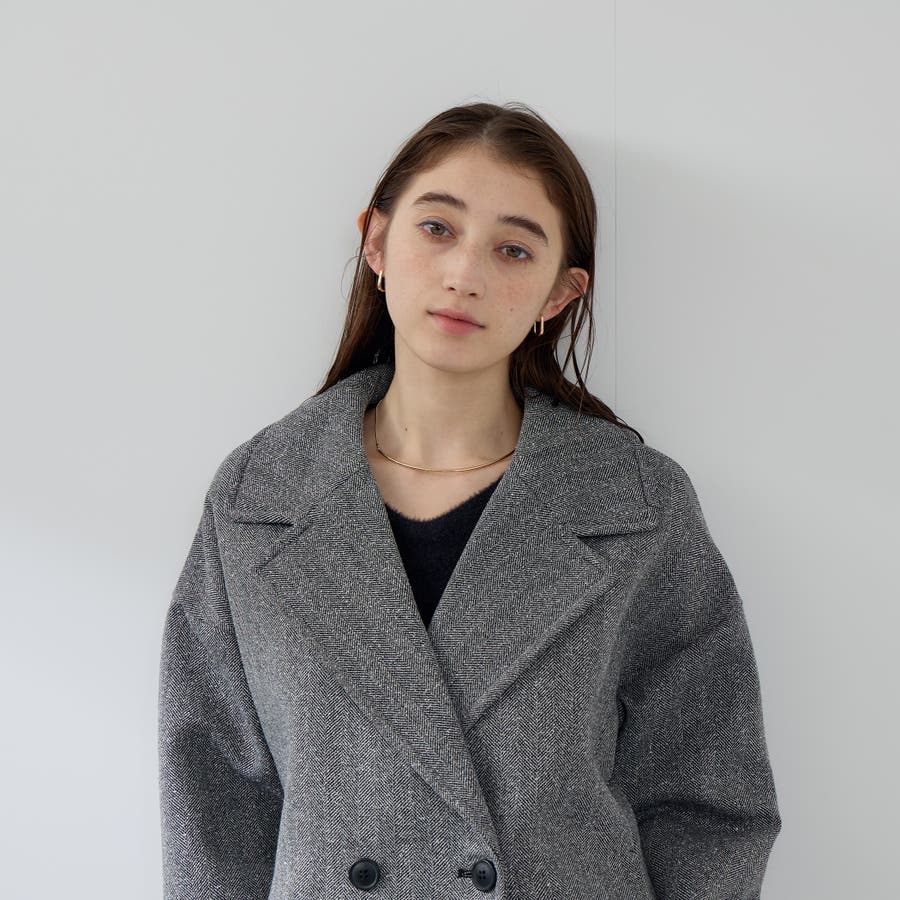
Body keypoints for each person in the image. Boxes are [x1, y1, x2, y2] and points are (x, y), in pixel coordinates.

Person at [158, 101, 782, 899]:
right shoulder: (260, 498)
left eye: (513, 249)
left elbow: (710, 800)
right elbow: (213, 803)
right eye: (437, 228)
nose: (465, 274)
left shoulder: (634, 507)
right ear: (376, 242)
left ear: (559, 293)